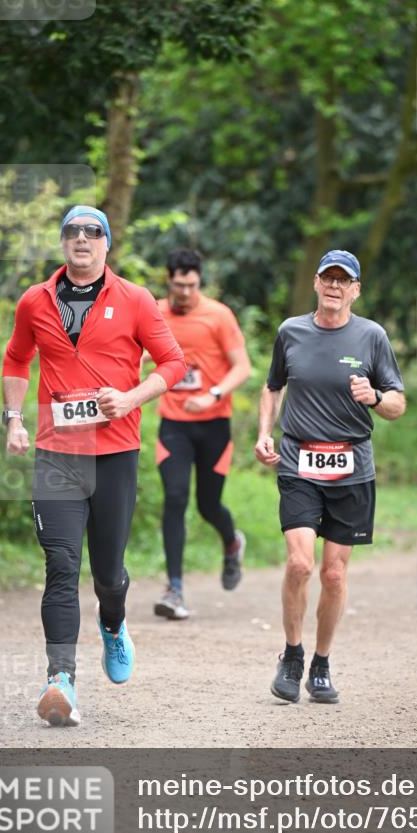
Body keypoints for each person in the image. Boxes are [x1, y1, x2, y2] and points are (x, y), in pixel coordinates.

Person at [2, 205, 186, 727]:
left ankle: (114, 622)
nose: (81, 239)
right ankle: (61, 680)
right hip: (57, 452)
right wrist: (13, 420)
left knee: (107, 572)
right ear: (63, 242)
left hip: (115, 454)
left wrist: (131, 398)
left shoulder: (136, 300)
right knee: (61, 565)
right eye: (72, 231)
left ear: (107, 243)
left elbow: (174, 364)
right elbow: (16, 359)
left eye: (93, 231)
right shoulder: (35, 301)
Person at [255, 250, 406, 704]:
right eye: (328, 278)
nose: (335, 286)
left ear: (356, 289)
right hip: (299, 461)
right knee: (300, 564)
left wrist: (375, 396)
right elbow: (272, 385)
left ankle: (321, 663)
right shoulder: (291, 331)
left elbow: (398, 404)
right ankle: (292, 654)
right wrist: (265, 432)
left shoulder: (372, 337)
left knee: (335, 574)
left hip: (352, 467)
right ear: (317, 284)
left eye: (345, 280)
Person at [149, 248, 251, 621]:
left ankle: (232, 541)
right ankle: (174, 588)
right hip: (173, 425)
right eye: (179, 286)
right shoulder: (155, 312)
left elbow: (243, 368)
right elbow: (140, 353)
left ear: (199, 282)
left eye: (192, 286)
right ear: (169, 281)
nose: (186, 293)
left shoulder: (219, 315)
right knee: (175, 499)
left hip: (214, 425)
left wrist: (212, 394)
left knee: (209, 505)